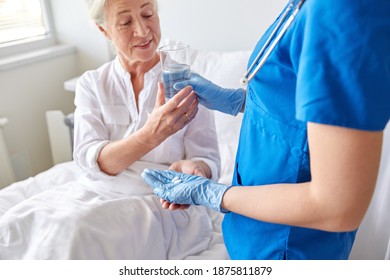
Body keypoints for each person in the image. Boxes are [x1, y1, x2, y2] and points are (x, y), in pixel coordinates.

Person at [142, 0, 390, 260]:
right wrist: (237, 100)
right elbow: (300, 102)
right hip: (254, 237)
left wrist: (214, 193)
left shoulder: (342, 11)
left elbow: (337, 207)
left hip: (287, 247)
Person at [0, 0, 220, 260]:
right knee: (16, 225)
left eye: (148, 14)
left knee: (74, 233)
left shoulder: (186, 82)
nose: (142, 30)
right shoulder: (92, 84)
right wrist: (152, 134)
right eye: (126, 22)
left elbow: (207, 160)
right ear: (104, 30)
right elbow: (90, 159)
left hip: (159, 197)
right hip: (96, 189)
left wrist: (195, 169)